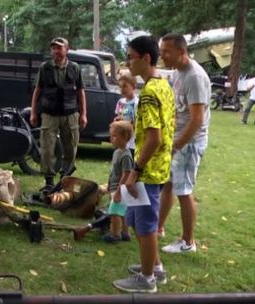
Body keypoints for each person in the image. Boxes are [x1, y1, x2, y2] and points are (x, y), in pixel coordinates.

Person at [113, 36, 175, 293]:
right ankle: (155, 268)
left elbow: (154, 138)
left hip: (147, 171)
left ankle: (147, 280)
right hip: (159, 167)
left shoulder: (149, 93)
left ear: (146, 59)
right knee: (138, 221)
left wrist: (135, 171)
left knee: (145, 225)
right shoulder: (163, 85)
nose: (128, 62)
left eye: (131, 57)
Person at [158, 34, 211, 253]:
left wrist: (177, 144)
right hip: (177, 141)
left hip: (188, 144)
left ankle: (188, 242)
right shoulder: (178, 72)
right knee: (169, 186)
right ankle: (158, 227)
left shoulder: (194, 76)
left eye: (166, 52)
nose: (162, 56)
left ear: (181, 52)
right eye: (161, 52)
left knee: (184, 191)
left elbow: (197, 119)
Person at [30, 37, 87, 188]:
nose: (56, 51)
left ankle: (65, 179)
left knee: (70, 147)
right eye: (53, 48)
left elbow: (81, 92)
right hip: (49, 114)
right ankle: (49, 182)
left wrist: (83, 114)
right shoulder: (45, 67)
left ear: (66, 50)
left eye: (59, 48)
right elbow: (37, 90)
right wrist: (33, 113)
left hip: (70, 114)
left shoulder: (74, 68)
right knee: (47, 148)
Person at [102, 120, 133, 244]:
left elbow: (127, 174)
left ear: (124, 137)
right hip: (115, 187)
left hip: (121, 188)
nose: (111, 139)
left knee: (114, 212)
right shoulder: (117, 152)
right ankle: (125, 233)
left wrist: (119, 191)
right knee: (122, 211)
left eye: (114, 136)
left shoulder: (126, 155)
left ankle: (115, 235)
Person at [114, 75, 139, 155]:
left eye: (125, 86)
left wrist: (124, 122)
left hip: (132, 144)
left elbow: (137, 124)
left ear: (133, 86)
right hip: (121, 141)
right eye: (120, 87)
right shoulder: (120, 102)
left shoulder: (137, 103)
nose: (122, 89)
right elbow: (118, 116)